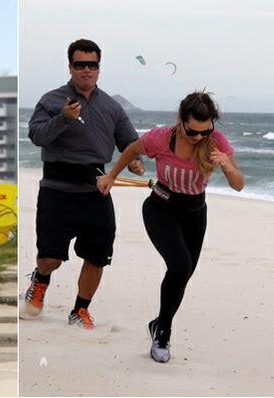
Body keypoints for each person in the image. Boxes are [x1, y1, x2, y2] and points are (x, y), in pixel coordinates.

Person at [97, 92, 244, 363]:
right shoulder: (161, 138)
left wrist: (226, 165)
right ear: (180, 119)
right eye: (192, 131)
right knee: (179, 266)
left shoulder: (216, 143)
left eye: (205, 130)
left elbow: (238, 184)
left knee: (183, 273)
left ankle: (158, 324)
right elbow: (132, 149)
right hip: (160, 208)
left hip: (195, 214)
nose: (198, 137)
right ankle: (163, 333)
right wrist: (110, 175)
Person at [23, 38, 145, 329]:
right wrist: (63, 119)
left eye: (92, 65)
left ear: (98, 69)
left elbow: (130, 141)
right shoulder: (52, 100)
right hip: (57, 188)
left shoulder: (111, 107)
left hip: (95, 188)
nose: (86, 71)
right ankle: (40, 280)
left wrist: (132, 161)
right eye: (80, 65)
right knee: (51, 259)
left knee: (98, 257)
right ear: (70, 67)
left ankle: (80, 310)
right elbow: (37, 136)